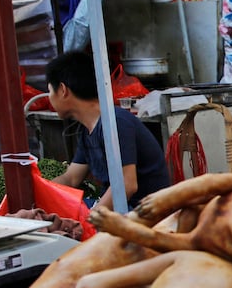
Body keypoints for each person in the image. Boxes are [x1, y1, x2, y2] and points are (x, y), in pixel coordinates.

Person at [45, 51, 170, 210]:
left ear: (63, 90)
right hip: (121, 208)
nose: (49, 97)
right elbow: (71, 179)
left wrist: (92, 218)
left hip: (145, 211)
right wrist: (42, 191)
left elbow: (127, 185)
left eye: (50, 91)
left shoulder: (116, 123)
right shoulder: (87, 131)